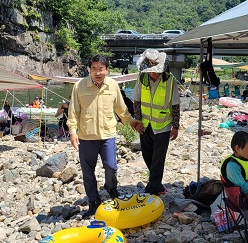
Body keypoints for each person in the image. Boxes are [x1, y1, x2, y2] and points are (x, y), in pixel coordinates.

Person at [67, 54, 140, 217]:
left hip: (107, 134)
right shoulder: (79, 86)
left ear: (107, 70)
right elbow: (73, 111)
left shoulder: (113, 85)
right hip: (86, 136)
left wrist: (132, 121)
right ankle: (94, 201)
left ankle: (111, 187)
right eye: (94, 69)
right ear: (89, 69)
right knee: (88, 172)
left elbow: (121, 109)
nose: (97, 73)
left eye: (101, 69)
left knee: (112, 167)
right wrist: (73, 132)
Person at [132, 49, 181, 196]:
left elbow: (175, 105)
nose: (154, 73)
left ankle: (151, 189)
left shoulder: (169, 80)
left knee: (158, 159)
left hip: (163, 126)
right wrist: (138, 120)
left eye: (156, 70)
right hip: (145, 125)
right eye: (151, 70)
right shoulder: (142, 78)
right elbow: (136, 101)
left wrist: (175, 126)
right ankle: (158, 185)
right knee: (147, 156)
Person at [220, 131, 248, 204]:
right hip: (245, 204)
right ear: (238, 148)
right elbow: (244, 189)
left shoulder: (246, 161)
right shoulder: (232, 166)